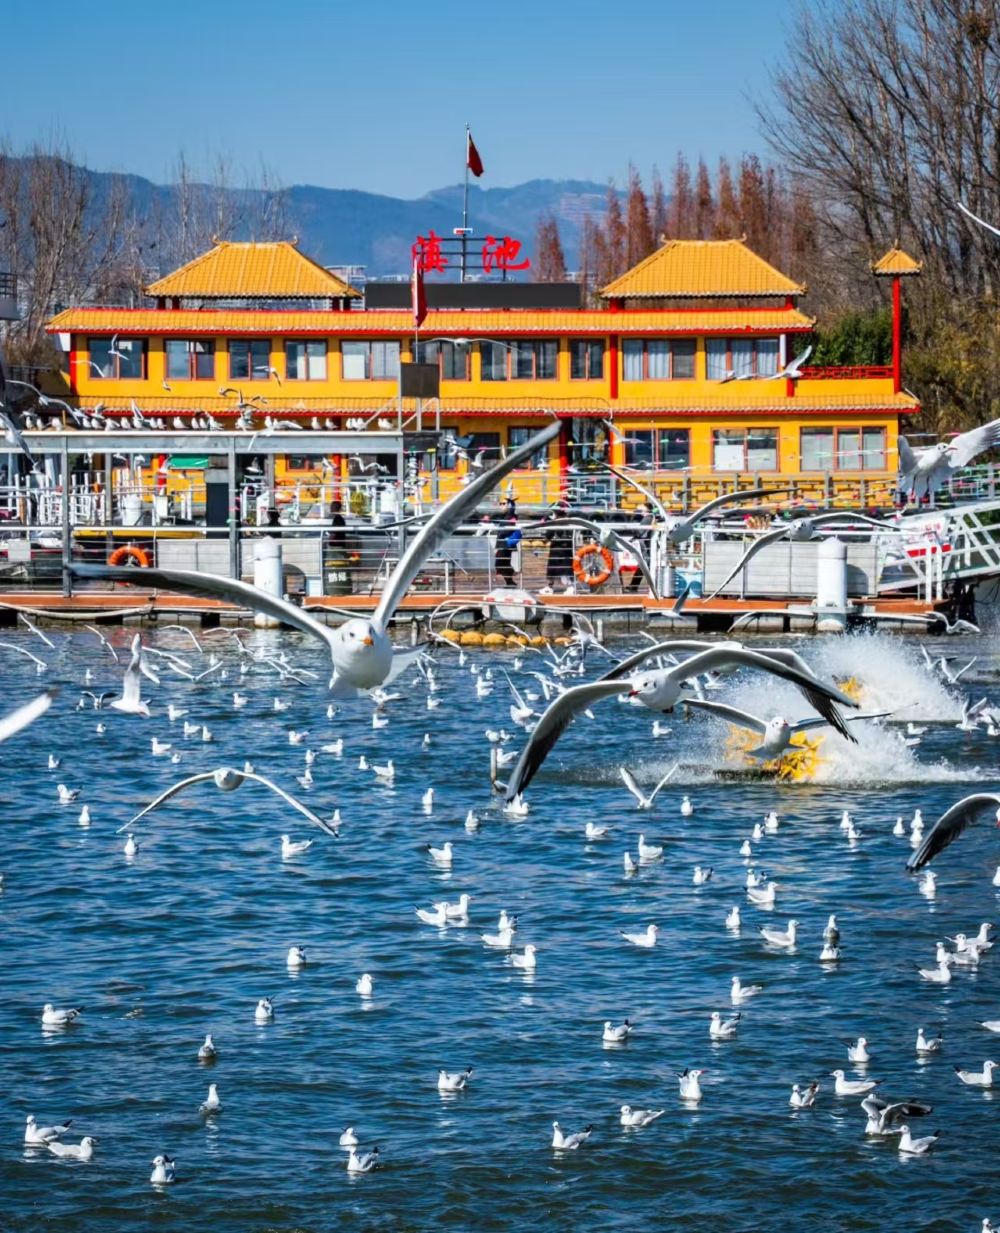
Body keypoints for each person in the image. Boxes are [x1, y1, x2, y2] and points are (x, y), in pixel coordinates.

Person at [544, 503, 576, 593]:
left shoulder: (555, 522)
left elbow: (548, 536)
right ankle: (567, 586)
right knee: (564, 568)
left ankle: (552, 586)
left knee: (557, 568)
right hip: (566, 548)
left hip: (557, 549)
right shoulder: (569, 522)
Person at [495, 517, 521, 588]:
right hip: (503, 544)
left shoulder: (509, 516)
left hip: (506, 545)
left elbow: (509, 529)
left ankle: (511, 578)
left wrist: (501, 533)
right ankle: (510, 582)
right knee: (502, 563)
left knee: (501, 563)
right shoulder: (505, 517)